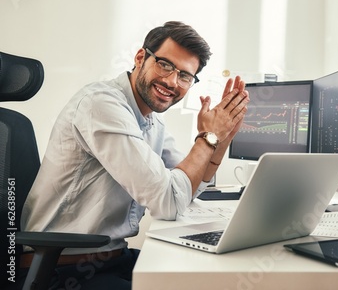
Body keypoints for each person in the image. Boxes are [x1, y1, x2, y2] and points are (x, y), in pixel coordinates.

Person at [19, 21, 250, 289]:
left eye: (185, 76)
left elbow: (187, 190)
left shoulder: (152, 121)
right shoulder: (101, 104)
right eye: (165, 64)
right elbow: (168, 202)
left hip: (111, 260)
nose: (172, 82)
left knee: (198, 278)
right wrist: (207, 139)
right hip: (60, 270)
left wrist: (220, 139)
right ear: (141, 57)